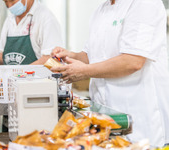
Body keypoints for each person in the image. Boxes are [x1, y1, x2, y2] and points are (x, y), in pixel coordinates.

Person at [51, 0, 169, 147]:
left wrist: (84, 72)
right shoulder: (101, 10)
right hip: (105, 118)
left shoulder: (144, 4)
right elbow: (92, 57)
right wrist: (71, 56)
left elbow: (133, 61)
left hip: (140, 120)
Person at [0, 0, 63, 65]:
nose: (10, 6)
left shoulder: (46, 18)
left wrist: (22, 74)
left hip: (39, 78)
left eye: (12, 0)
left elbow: (53, 59)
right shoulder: (9, 19)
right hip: (12, 77)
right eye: (6, 2)